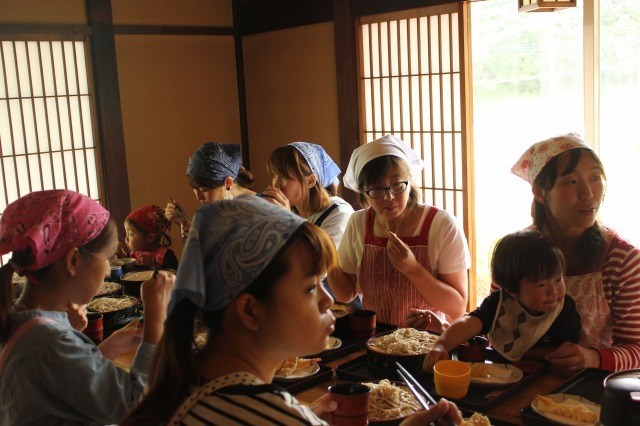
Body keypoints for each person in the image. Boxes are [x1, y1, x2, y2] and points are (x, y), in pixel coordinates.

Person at [123, 196, 463, 426]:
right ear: (250, 310)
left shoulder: (181, 386)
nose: (329, 301)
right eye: (311, 287)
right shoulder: (272, 415)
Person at [0, 189, 174, 425]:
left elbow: (66, 381)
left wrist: (109, 347)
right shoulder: (50, 343)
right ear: (73, 261)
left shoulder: (21, 322)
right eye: (107, 258)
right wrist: (155, 320)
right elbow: (137, 407)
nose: (108, 270)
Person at [511, 133, 640, 372]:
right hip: (519, 381)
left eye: (595, 178)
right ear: (539, 193)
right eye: (571, 181)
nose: (588, 193)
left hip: (590, 388)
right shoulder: (516, 253)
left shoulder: (621, 259)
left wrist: (594, 358)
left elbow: (637, 350)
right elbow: (495, 325)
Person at [327, 134, 470, 327]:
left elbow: (457, 308)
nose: (389, 197)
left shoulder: (441, 224)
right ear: (363, 193)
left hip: (425, 340)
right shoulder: (358, 222)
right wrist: (327, 257)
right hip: (374, 338)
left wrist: (413, 269)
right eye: (377, 189)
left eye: (396, 185)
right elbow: (346, 294)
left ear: (410, 181)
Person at [424, 230, 581, 370]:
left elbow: (566, 351)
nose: (554, 291)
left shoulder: (564, 309)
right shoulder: (500, 303)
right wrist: (441, 345)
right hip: (500, 374)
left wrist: (528, 352)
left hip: (546, 377)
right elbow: (470, 323)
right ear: (511, 289)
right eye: (541, 284)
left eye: (558, 279)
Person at [265, 142, 354, 249]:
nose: (276, 185)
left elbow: (320, 258)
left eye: (284, 177)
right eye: (274, 176)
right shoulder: (293, 210)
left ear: (310, 181)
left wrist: (287, 221)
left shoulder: (339, 213)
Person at [165, 142, 256, 237]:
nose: (198, 197)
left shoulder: (259, 210)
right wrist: (182, 223)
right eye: (194, 189)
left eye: (204, 189)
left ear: (228, 183)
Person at [123, 204, 179, 270]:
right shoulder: (131, 254)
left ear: (150, 238)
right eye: (126, 233)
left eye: (131, 234)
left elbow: (174, 275)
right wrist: (122, 257)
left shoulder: (166, 256)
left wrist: (154, 265)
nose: (126, 238)